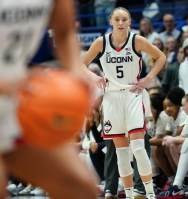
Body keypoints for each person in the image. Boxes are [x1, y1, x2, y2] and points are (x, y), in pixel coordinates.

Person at [0, 1, 98, 199]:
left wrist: (75, 72)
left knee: (78, 187)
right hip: (12, 87)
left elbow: (64, 32)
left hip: (15, 100)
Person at [81, 7, 167, 199]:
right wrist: (93, 76)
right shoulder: (101, 42)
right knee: (121, 152)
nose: (120, 23)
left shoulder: (137, 40)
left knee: (137, 147)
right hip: (111, 98)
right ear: (111, 21)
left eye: (124, 19)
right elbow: (81, 63)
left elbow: (161, 57)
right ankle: (128, 195)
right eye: (117, 19)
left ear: (130, 22)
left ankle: (150, 194)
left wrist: (148, 78)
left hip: (132, 95)